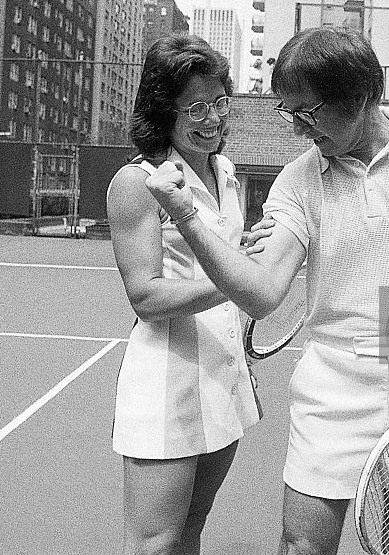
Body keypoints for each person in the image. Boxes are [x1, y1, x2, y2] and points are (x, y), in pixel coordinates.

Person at [145, 27, 389, 555]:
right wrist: (188, 216)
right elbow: (261, 294)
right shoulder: (297, 180)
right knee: (300, 546)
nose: (300, 129)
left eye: (311, 112)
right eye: (290, 112)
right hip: (332, 386)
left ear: (364, 97)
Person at [106, 35, 260, 554]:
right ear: (161, 110)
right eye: (196, 107)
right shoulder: (138, 182)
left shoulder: (225, 172)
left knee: (193, 528)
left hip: (223, 372)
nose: (213, 118)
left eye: (219, 103)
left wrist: (246, 250)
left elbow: (221, 249)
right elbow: (145, 297)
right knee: (155, 542)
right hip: (165, 380)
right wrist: (237, 279)